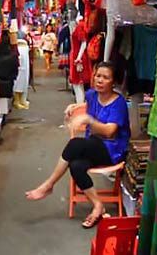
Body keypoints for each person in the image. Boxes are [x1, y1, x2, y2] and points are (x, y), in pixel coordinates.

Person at [26, 62, 130, 228]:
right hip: (93, 144)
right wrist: (75, 107)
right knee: (76, 166)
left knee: (75, 144)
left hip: (112, 150)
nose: (100, 80)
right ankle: (98, 205)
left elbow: (110, 131)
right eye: (98, 76)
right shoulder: (91, 95)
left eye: (105, 77)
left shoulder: (119, 103)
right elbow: (89, 107)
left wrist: (89, 120)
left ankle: (49, 184)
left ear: (113, 82)